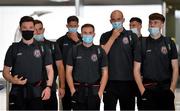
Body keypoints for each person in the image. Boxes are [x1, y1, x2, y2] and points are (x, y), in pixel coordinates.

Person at [3, 16, 54, 110]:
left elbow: (50, 69)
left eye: (30, 28)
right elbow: (5, 71)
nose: (28, 30)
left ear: (34, 29)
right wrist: (12, 80)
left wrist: (48, 87)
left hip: (37, 93)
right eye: (25, 28)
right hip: (17, 92)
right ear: (20, 28)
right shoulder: (13, 48)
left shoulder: (43, 48)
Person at [133, 13, 179, 110]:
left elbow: (175, 68)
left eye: (155, 22)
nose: (152, 25)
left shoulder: (169, 42)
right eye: (150, 23)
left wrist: (172, 90)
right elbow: (136, 70)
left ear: (162, 25)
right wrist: (142, 91)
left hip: (166, 90)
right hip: (147, 89)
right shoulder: (141, 43)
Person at [100, 10, 138, 110]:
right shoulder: (105, 36)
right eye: (113, 20)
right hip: (109, 82)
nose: (116, 22)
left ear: (123, 20)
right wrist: (112, 38)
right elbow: (102, 55)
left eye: (118, 19)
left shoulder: (132, 36)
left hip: (128, 82)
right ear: (110, 21)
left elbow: (137, 59)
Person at [66, 23, 108, 110]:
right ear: (81, 34)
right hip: (78, 91)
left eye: (90, 32)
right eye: (85, 33)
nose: (87, 35)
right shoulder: (74, 50)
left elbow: (105, 72)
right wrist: (72, 90)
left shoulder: (100, 50)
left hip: (94, 91)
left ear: (94, 34)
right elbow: (68, 72)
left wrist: (100, 93)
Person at [34, 19, 65, 110]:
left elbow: (60, 67)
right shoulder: (28, 47)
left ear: (43, 30)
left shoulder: (53, 45)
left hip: (49, 88)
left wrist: (62, 87)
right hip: (32, 91)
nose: (37, 32)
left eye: (39, 29)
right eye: (35, 30)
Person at [56, 15, 81, 110]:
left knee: (79, 106)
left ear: (78, 25)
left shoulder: (84, 39)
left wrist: (77, 41)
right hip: (65, 79)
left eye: (75, 26)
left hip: (80, 79)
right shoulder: (60, 41)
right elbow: (58, 62)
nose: (73, 28)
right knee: (66, 106)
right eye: (71, 26)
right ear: (67, 26)